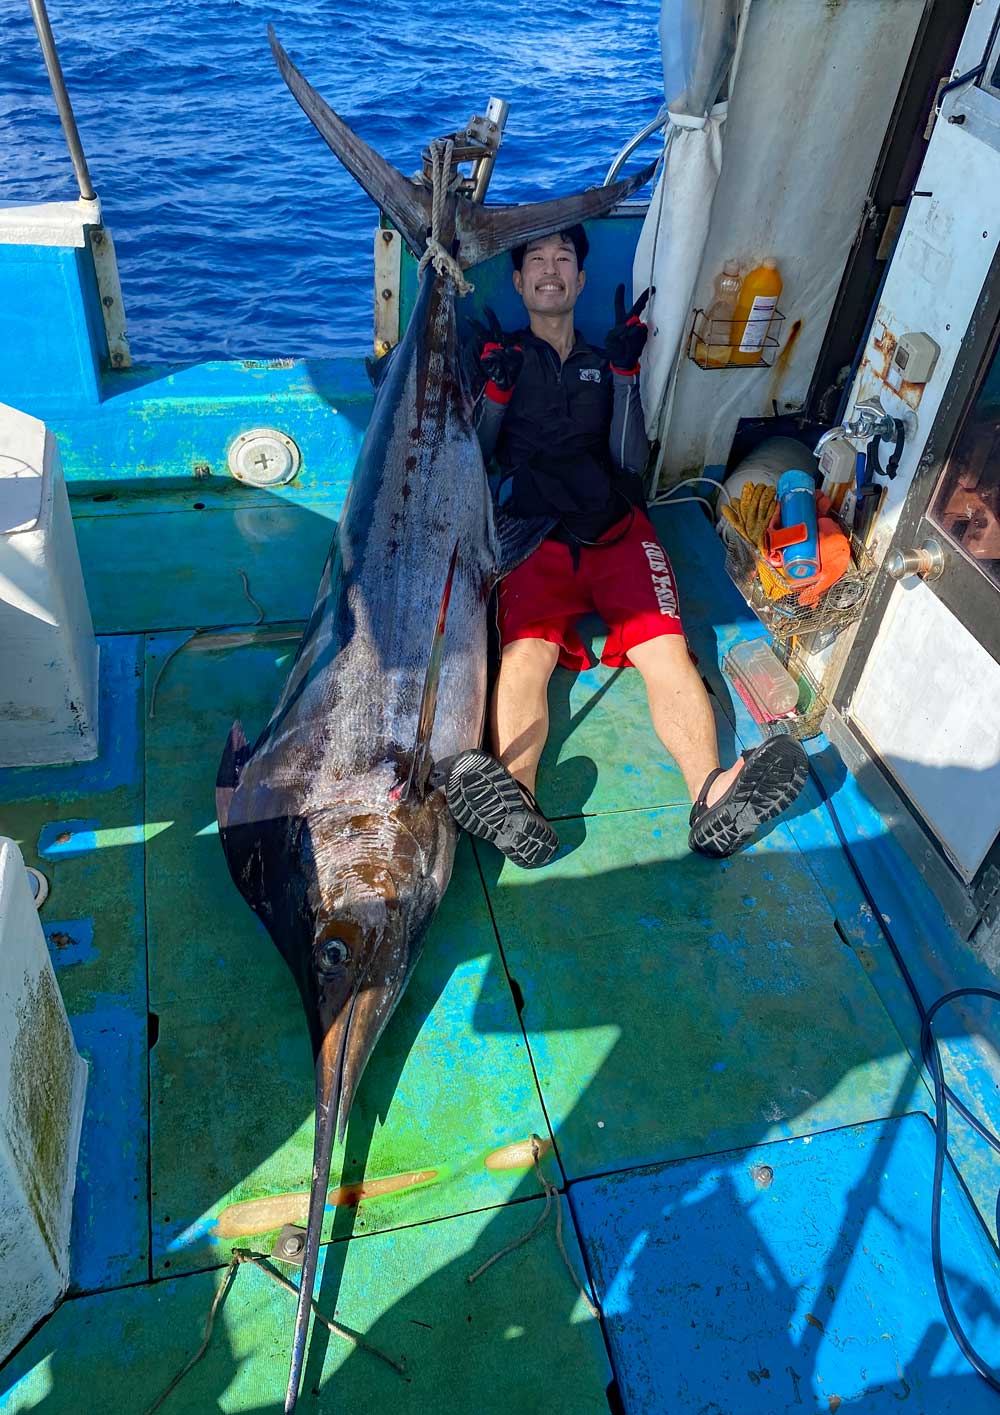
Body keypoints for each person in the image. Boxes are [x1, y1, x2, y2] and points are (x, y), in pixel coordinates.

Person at [446, 225, 807, 867]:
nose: (551, 270)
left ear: (580, 281)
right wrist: (496, 393)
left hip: (616, 524)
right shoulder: (501, 356)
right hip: (532, 528)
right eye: (537, 261)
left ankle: (711, 795)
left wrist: (622, 374)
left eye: (564, 260)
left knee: (664, 647)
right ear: (520, 281)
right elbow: (474, 458)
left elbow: (628, 461)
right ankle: (515, 800)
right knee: (525, 653)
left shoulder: (600, 357)